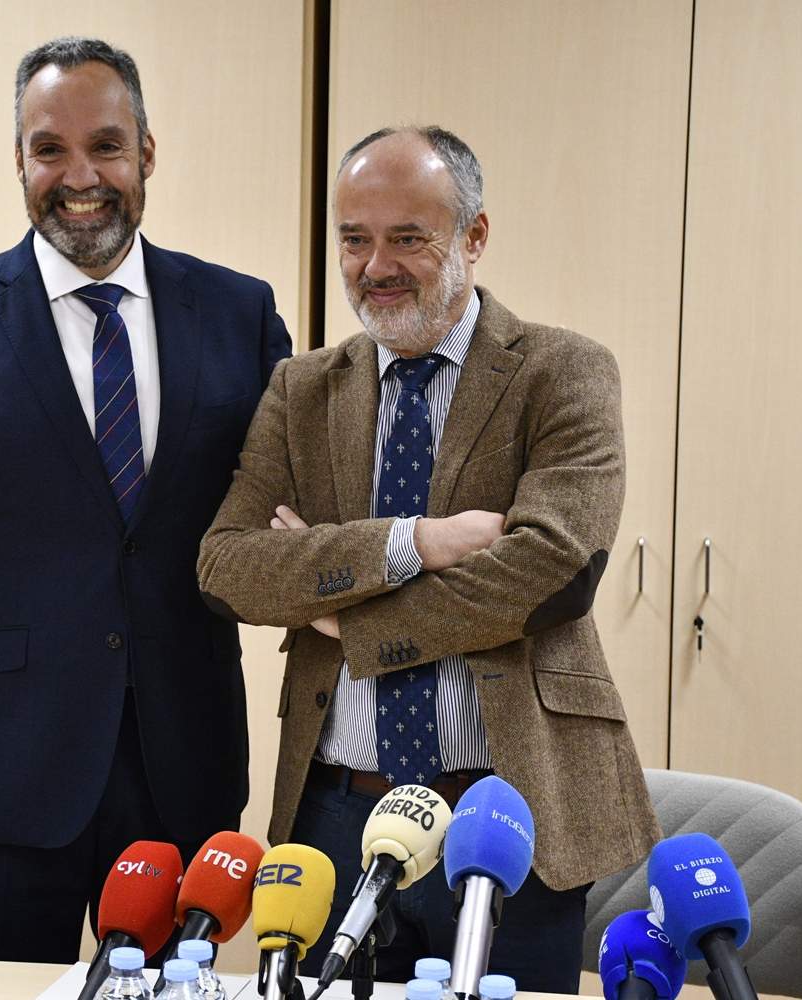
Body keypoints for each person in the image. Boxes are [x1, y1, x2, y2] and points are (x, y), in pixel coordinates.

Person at [0, 36, 290, 962]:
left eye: (106, 145)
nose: (80, 175)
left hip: (184, 772)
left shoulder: (241, 315)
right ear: (19, 160)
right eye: (49, 148)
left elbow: (291, 510)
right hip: (1, 783)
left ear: (147, 155)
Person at [196, 126, 658, 993]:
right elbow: (227, 565)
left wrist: (339, 614)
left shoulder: (562, 372)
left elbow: (554, 570)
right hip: (335, 809)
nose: (376, 265)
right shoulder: (301, 391)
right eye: (354, 238)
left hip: (505, 805)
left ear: (474, 237)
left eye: (409, 236)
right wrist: (420, 542)